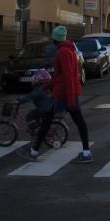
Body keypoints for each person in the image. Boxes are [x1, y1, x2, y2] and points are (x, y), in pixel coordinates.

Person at [45, 26, 93, 163]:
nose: (52, 41)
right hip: (67, 93)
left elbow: (68, 77)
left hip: (64, 94)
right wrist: (46, 86)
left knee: (47, 120)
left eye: (53, 38)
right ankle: (86, 152)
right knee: (78, 121)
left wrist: (71, 100)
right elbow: (62, 77)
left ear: (56, 39)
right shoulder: (68, 50)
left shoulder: (63, 52)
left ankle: (34, 151)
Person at [16, 68, 56, 158]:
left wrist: (19, 100)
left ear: (39, 81)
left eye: (35, 79)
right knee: (36, 117)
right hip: (47, 108)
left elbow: (29, 97)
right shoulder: (44, 89)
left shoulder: (38, 91)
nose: (33, 81)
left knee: (29, 116)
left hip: (44, 110)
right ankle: (37, 131)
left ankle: (37, 131)